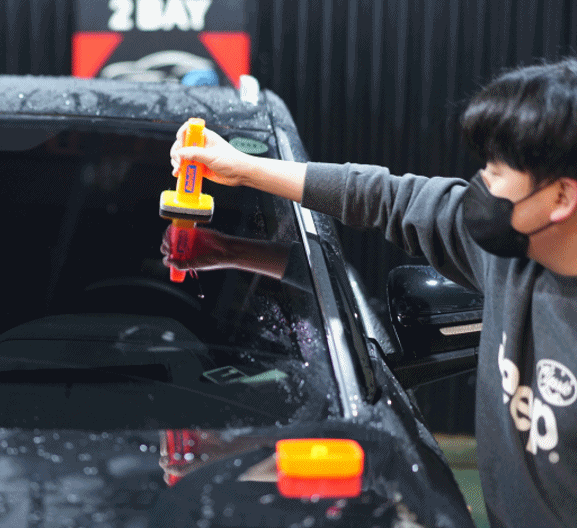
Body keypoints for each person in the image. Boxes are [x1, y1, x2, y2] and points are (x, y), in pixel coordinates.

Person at [169, 58, 577, 528]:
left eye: (497, 172)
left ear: (561, 198)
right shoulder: (509, 255)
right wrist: (243, 171)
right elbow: (383, 196)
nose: (481, 185)